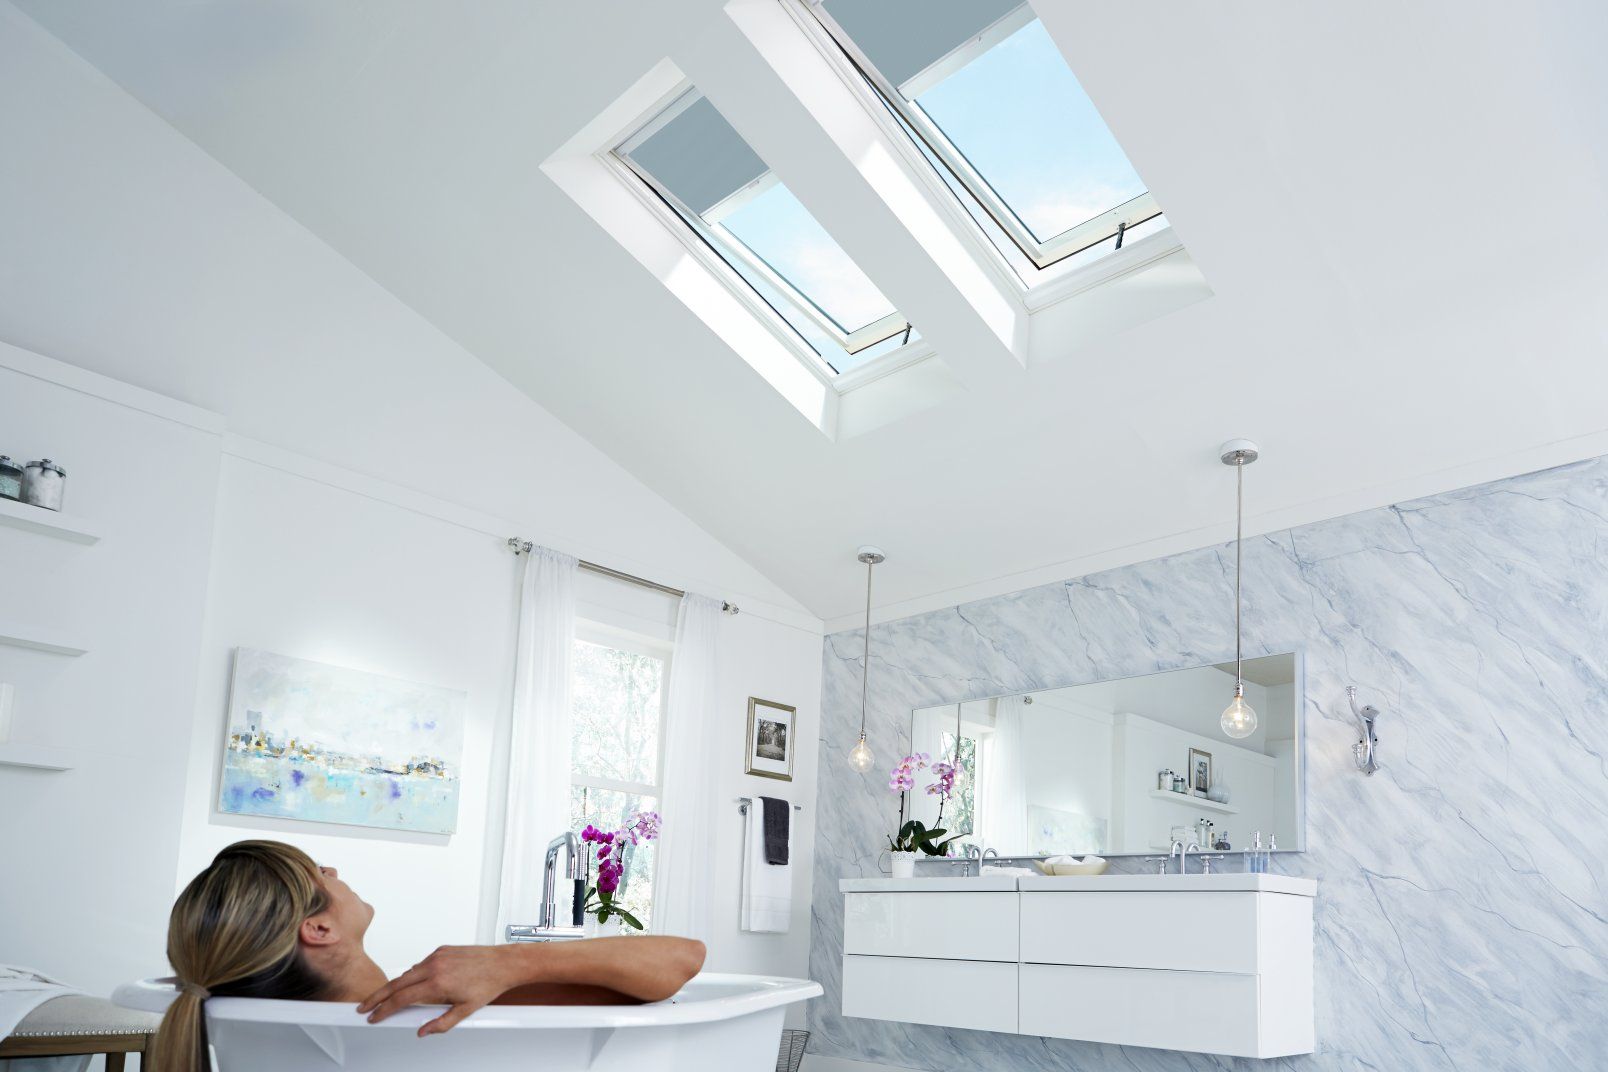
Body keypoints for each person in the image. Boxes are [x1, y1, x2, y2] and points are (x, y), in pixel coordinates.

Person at [149, 839, 705, 1072]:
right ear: (318, 928)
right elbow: (684, 959)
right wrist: (511, 963)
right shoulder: (452, 1014)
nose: (335, 872)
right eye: (319, 872)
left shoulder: (248, 1024)